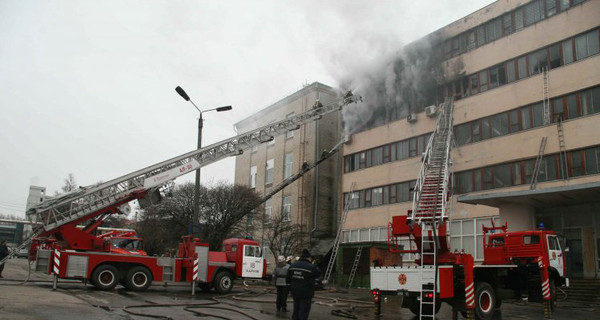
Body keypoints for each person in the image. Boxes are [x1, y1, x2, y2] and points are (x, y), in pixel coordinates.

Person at [287, 249, 321, 320]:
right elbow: (318, 273)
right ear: (309, 258)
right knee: (304, 311)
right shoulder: (311, 267)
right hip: (306, 293)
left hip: (295, 292)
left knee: (296, 310)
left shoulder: (292, 266)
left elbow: (288, 279)